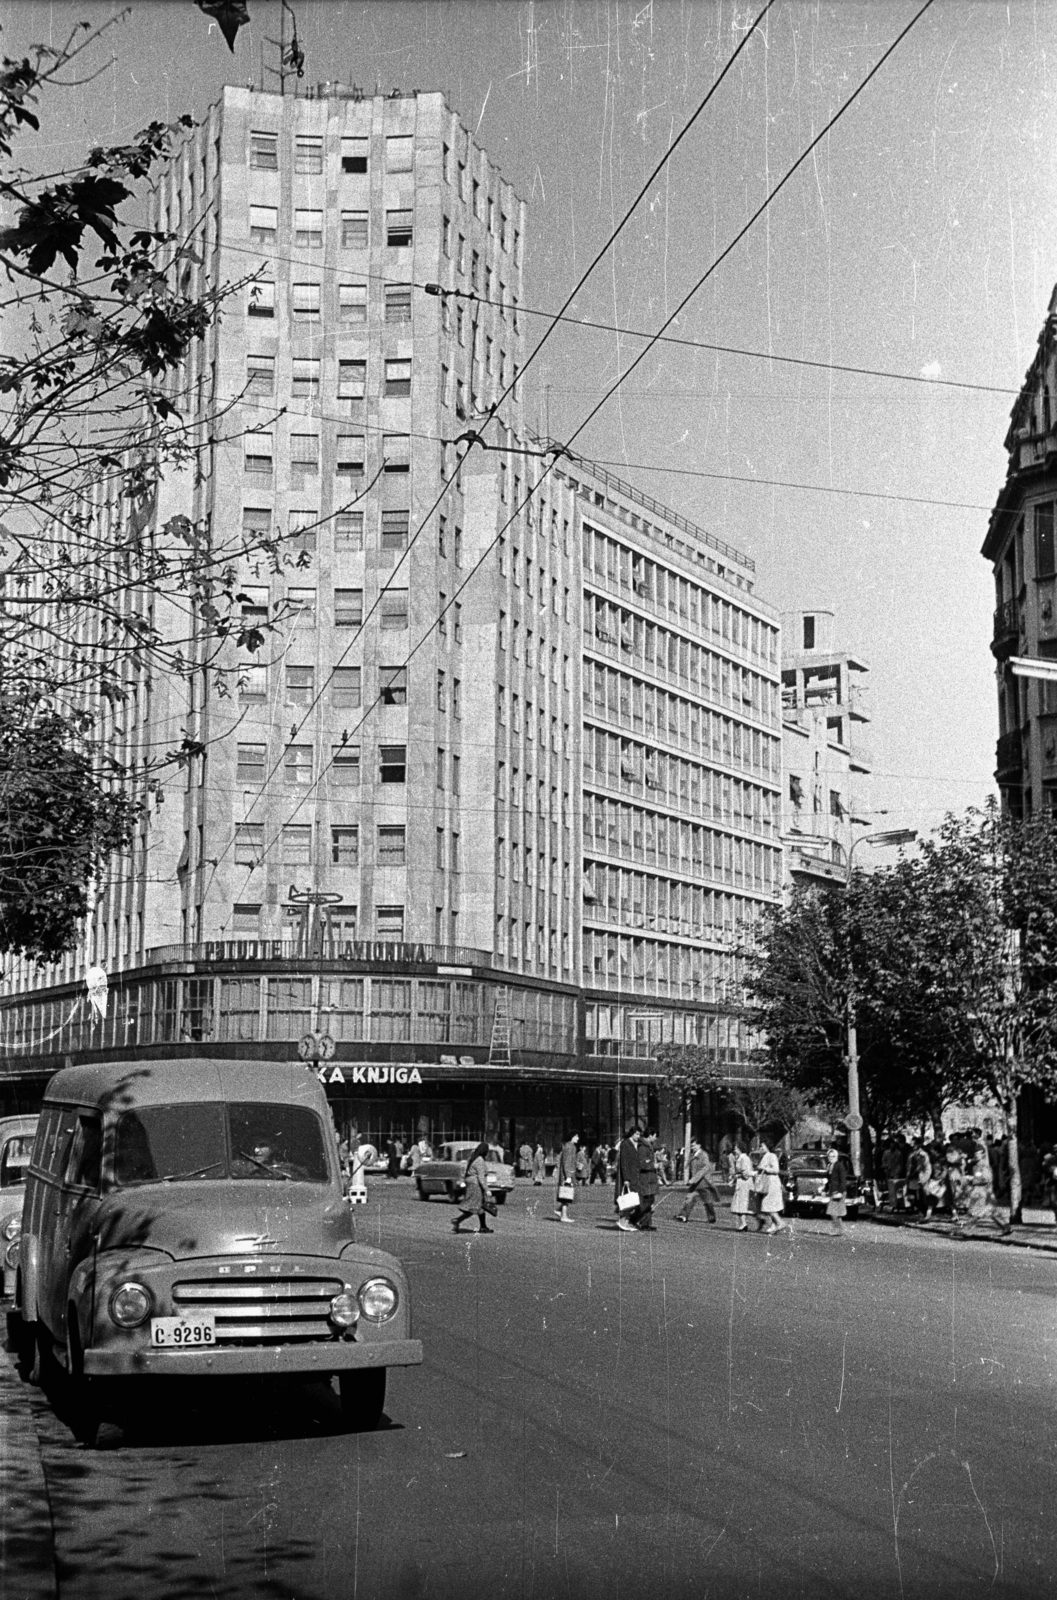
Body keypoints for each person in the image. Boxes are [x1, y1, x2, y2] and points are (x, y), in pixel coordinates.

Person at [452, 1140, 494, 1234]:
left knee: (479, 1206)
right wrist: (486, 1189)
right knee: (473, 1207)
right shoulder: (479, 1160)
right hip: (475, 1185)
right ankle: (457, 1220)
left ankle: (483, 1226)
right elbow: (481, 1177)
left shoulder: (473, 1158)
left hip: (471, 1183)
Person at [674, 1139, 720, 1225]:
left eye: (694, 1145)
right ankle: (683, 1216)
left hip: (703, 1183)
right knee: (689, 1198)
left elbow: (706, 1168)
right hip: (695, 1184)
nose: (692, 1147)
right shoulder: (693, 1155)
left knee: (708, 1201)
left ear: (699, 1145)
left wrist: (694, 1178)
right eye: (691, 1146)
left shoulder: (704, 1155)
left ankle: (711, 1217)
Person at [754, 1144, 788, 1235]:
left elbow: (776, 1170)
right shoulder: (765, 1156)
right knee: (770, 1205)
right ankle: (773, 1226)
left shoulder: (771, 1156)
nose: (760, 1148)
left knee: (768, 1205)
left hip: (772, 1184)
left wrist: (763, 1168)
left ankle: (780, 1222)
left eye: (762, 1146)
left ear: (768, 1147)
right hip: (768, 1184)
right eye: (759, 1147)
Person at [615, 1127, 641, 1233]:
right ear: (632, 1134)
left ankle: (625, 1221)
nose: (638, 1136)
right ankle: (623, 1221)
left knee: (631, 1200)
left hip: (633, 1176)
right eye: (637, 1134)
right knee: (628, 1199)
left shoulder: (631, 1144)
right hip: (628, 1177)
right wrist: (626, 1178)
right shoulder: (626, 1144)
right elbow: (624, 1162)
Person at [634, 1129, 661, 1230]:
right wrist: (653, 1165)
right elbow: (642, 1164)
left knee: (649, 1200)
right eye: (655, 1136)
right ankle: (635, 1219)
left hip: (649, 1178)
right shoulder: (643, 1147)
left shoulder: (647, 1146)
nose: (655, 1139)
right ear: (650, 1135)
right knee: (646, 1201)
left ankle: (646, 1223)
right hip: (645, 1179)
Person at [825, 1144, 851, 1236]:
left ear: (836, 1156)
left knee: (833, 1212)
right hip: (833, 1190)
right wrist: (825, 1189)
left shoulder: (839, 1165)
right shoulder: (830, 1166)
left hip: (839, 1191)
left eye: (833, 1156)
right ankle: (840, 1230)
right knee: (837, 1212)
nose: (830, 1158)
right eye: (829, 1156)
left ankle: (837, 1230)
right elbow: (829, 1180)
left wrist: (840, 1192)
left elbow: (843, 1180)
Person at [555, 1133, 579, 1222]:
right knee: (566, 1195)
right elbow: (567, 1162)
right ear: (572, 1137)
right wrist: (568, 1176)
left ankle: (559, 1210)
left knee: (567, 1194)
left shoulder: (569, 1146)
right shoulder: (570, 1147)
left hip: (568, 1173)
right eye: (576, 1136)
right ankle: (563, 1216)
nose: (578, 1138)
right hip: (568, 1175)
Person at [730, 1144, 754, 1231]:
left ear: (740, 1149)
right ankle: (743, 1223)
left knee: (742, 1204)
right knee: (741, 1205)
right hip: (742, 1183)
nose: (734, 1150)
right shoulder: (742, 1158)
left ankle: (745, 1223)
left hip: (744, 1184)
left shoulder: (743, 1158)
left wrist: (736, 1176)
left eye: (736, 1149)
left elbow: (746, 1174)